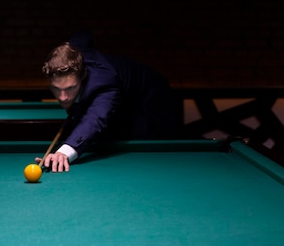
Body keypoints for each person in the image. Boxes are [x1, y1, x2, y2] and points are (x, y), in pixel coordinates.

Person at [38, 32, 179, 172]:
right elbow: (83, 36)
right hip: (125, 95)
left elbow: (95, 119)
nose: (62, 97)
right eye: (56, 89)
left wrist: (65, 151)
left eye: (70, 88)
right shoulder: (71, 51)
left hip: (153, 99)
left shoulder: (105, 84)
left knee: (142, 141)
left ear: (83, 76)